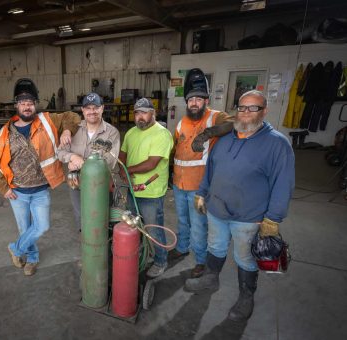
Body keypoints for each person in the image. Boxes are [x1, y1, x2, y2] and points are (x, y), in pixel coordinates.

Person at [185, 90, 295, 322]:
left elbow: (283, 184)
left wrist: (273, 219)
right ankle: (210, 277)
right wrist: (202, 193)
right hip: (217, 210)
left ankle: (246, 296)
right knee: (215, 246)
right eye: (242, 107)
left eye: (252, 108)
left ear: (264, 111)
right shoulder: (225, 139)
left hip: (249, 216)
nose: (245, 113)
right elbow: (211, 169)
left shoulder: (277, 144)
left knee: (245, 257)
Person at [0, 78, 80, 276]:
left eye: (30, 103)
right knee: (25, 230)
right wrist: (3, 188)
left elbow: (72, 116)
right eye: (22, 103)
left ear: (35, 105)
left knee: (41, 226)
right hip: (17, 192)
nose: (27, 106)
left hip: (40, 190)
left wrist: (66, 129)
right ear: (16, 105)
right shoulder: (3, 133)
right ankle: (32, 259)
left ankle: (15, 249)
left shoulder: (48, 121)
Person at [170, 68, 234, 279]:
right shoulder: (181, 122)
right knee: (182, 221)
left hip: (199, 188)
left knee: (199, 225)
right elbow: (175, 149)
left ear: (206, 101)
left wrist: (207, 133)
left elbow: (233, 123)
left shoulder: (215, 117)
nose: (195, 103)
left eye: (199, 99)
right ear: (186, 102)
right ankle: (182, 248)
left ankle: (200, 261)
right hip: (179, 184)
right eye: (191, 100)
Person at [119, 97, 173, 278]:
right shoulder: (130, 133)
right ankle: (140, 255)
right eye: (137, 113)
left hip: (152, 192)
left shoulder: (162, 134)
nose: (140, 117)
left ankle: (160, 261)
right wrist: (122, 169)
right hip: (132, 189)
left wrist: (128, 170)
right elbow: (123, 154)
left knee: (153, 228)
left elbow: (152, 163)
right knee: (133, 225)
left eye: (144, 112)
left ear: (153, 113)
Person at [57, 92, 120, 231]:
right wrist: (72, 157)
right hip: (76, 182)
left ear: (102, 108)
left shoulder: (112, 133)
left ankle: (102, 247)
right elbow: (60, 152)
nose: (92, 112)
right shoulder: (73, 129)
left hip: (100, 183)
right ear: (83, 110)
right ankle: (87, 246)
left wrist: (81, 162)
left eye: (96, 108)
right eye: (88, 108)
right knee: (81, 217)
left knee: (100, 217)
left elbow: (110, 161)